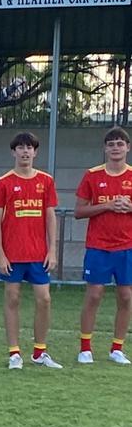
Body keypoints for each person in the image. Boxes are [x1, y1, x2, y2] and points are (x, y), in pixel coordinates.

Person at [0, 131, 62, 370]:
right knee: (13, 298)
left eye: (29, 147)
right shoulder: (4, 182)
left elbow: (50, 217)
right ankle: (14, 353)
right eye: (20, 147)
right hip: (13, 254)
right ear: (13, 152)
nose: (25, 151)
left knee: (45, 299)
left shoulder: (46, 181)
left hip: (38, 254)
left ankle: (39, 352)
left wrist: (52, 250)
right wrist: (0, 254)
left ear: (35, 151)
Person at [75, 126, 132, 365]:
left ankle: (117, 348)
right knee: (94, 295)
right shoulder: (92, 175)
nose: (116, 148)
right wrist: (107, 206)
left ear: (127, 148)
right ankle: (85, 348)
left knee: (126, 296)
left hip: (127, 247)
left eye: (120, 144)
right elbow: (79, 211)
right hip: (98, 246)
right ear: (105, 149)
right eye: (111, 144)